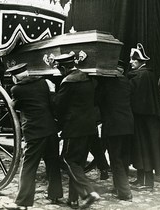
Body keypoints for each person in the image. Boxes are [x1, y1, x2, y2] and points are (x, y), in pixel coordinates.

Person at [1, 63, 63, 210]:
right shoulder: (43, 83)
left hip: (34, 133)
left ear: (15, 77)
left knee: (28, 166)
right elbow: (50, 103)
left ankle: (22, 202)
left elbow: (14, 106)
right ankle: (55, 194)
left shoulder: (16, 89)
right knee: (53, 163)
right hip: (50, 129)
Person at [52, 53, 100, 209]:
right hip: (89, 128)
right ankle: (73, 200)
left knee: (67, 160)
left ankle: (88, 192)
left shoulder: (68, 82)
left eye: (60, 69)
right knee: (77, 163)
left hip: (74, 129)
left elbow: (59, 106)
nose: (60, 72)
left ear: (64, 67)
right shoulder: (88, 79)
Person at [127, 43, 160, 191]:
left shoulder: (140, 76)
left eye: (133, 60)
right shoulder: (146, 75)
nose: (131, 62)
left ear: (140, 62)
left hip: (143, 120)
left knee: (144, 149)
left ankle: (147, 182)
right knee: (143, 149)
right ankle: (141, 180)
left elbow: (134, 99)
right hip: (146, 120)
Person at [95, 68, 134, 201]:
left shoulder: (105, 83)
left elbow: (98, 100)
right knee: (124, 157)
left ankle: (124, 191)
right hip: (128, 123)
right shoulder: (125, 80)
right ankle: (119, 185)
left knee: (115, 158)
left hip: (113, 125)